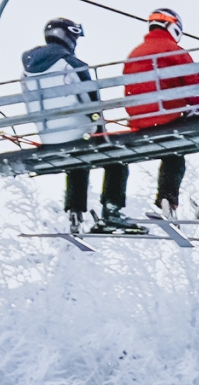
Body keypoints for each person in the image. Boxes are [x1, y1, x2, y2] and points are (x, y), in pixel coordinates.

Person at [119, 8, 199, 220]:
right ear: (173, 27)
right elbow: (192, 88)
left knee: (174, 147)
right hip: (169, 116)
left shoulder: (134, 54)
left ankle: (166, 198)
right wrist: (192, 110)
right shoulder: (174, 51)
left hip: (141, 121)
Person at [21, 18, 142, 236]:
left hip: (48, 135)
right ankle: (111, 211)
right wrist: (98, 123)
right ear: (68, 37)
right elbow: (90, 101)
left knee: (78, 157)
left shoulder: (28, 70)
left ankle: (75, 212)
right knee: (116, 158)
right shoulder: (71, 64)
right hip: (77, 130)